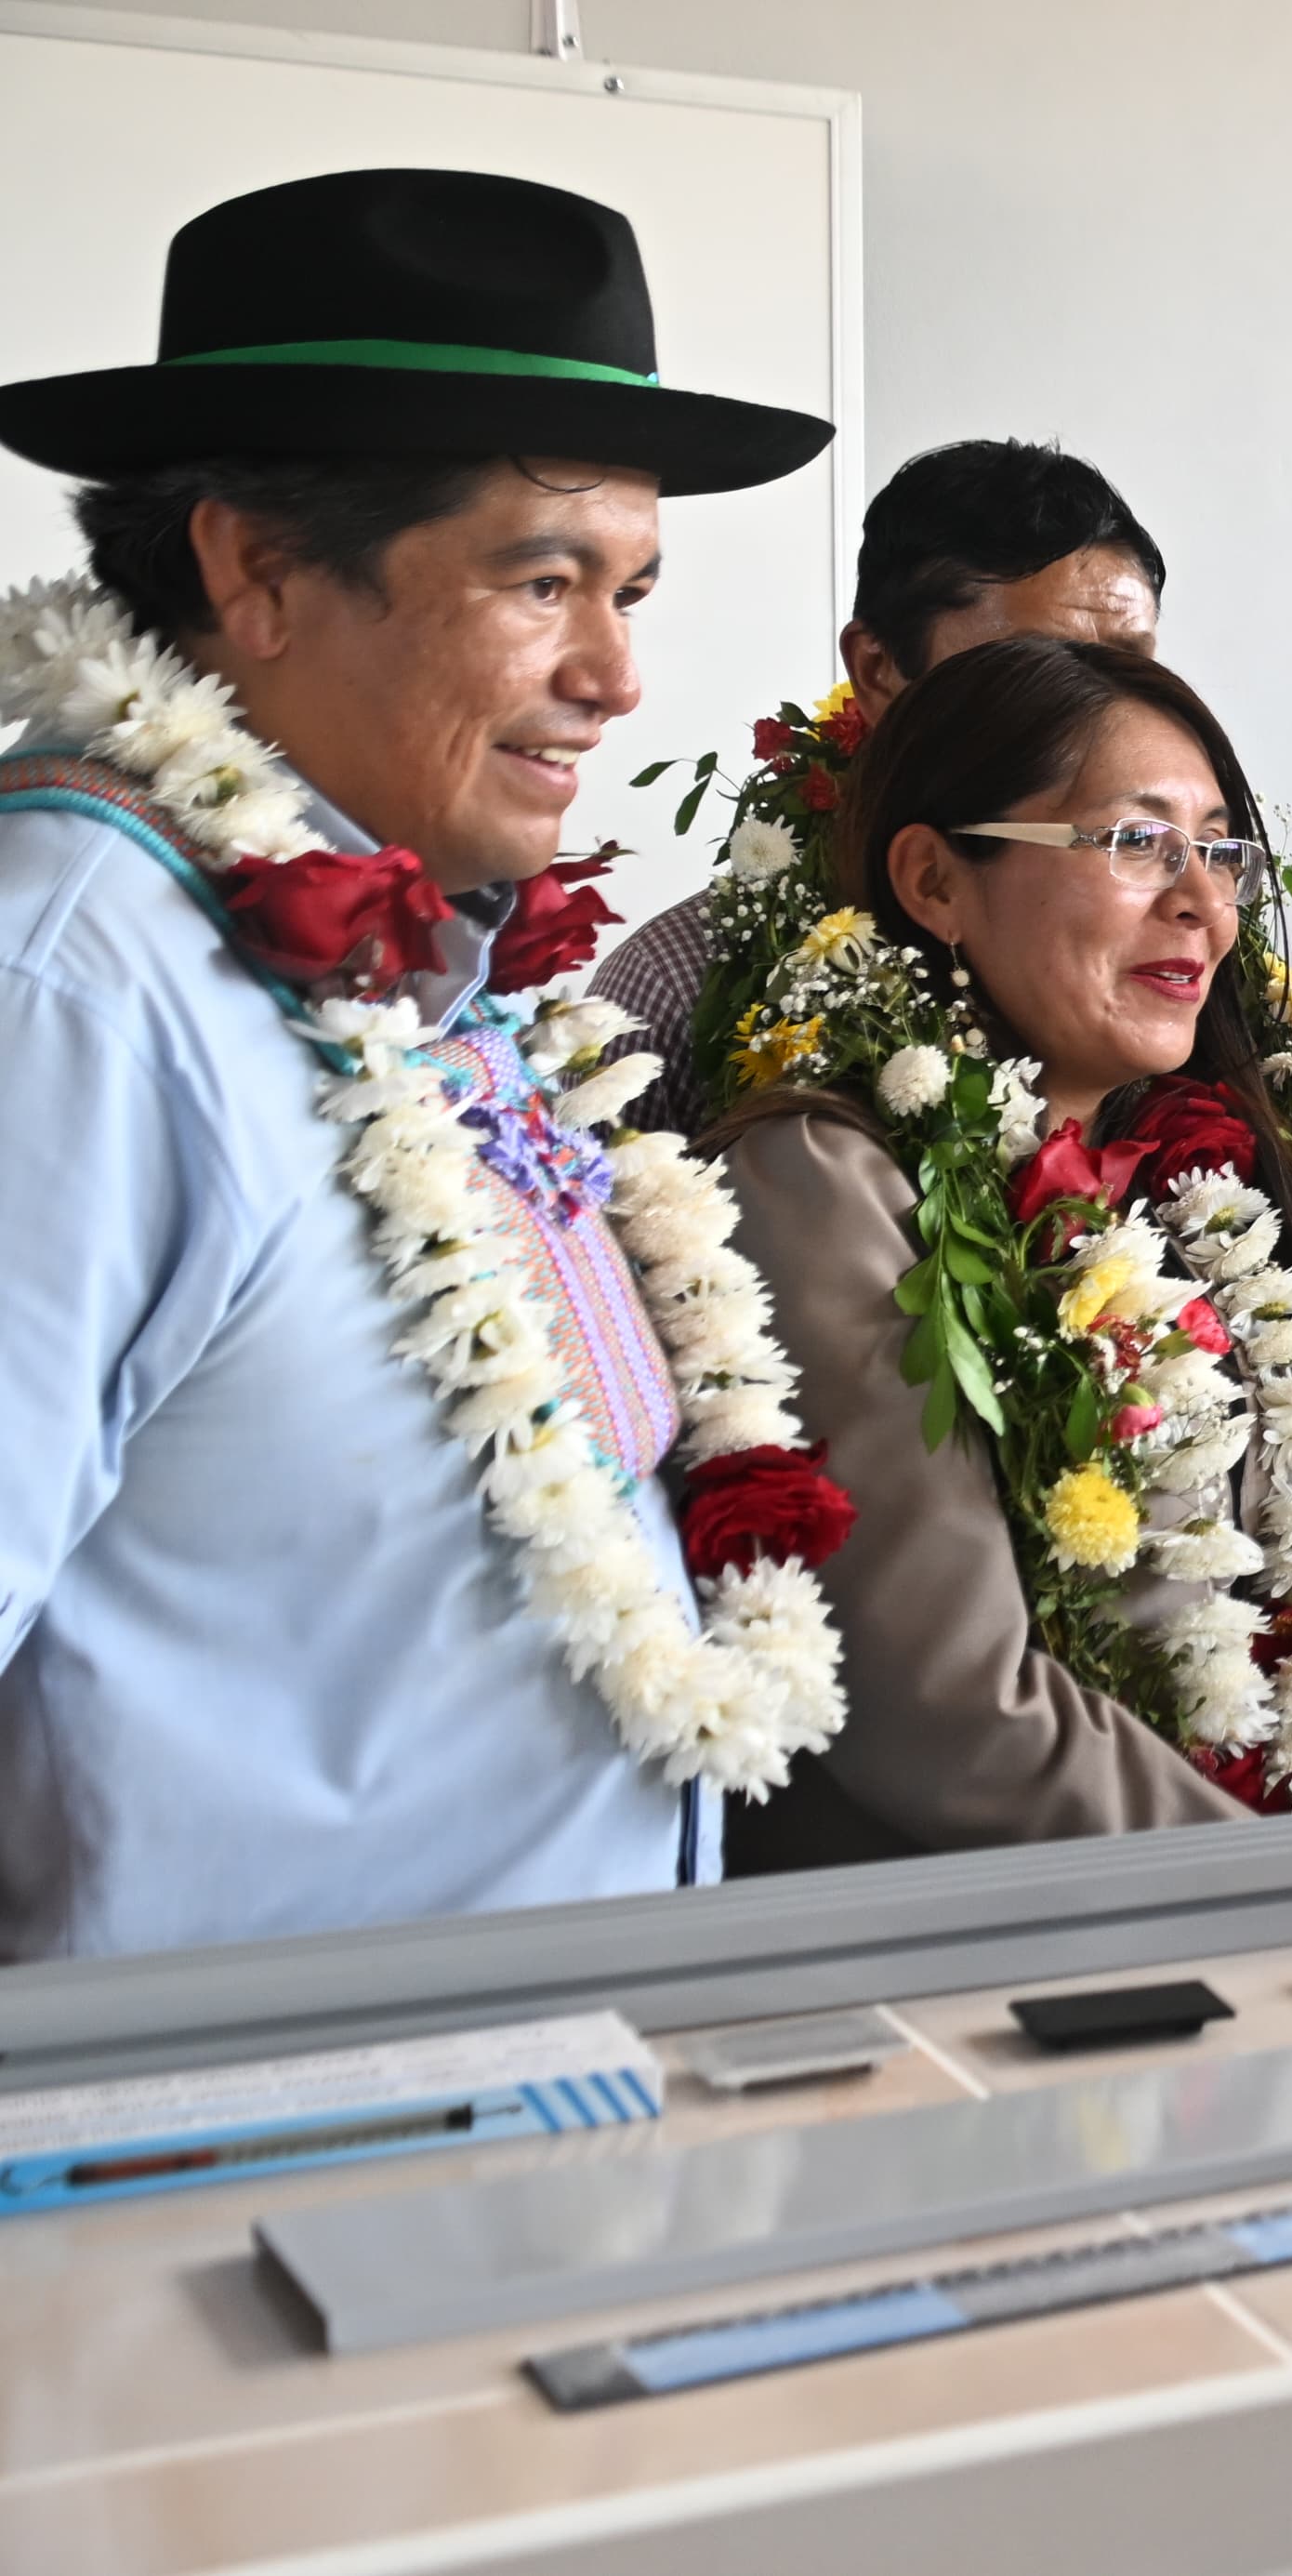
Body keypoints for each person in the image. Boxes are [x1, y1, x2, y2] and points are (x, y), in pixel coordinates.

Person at [0, 169, 838, 1959]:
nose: (615, 674)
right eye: (544, 581)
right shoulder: (74, 982)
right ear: (259, 570)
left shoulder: (433, 966)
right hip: (238, 2115)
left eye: (632, 590)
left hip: (553, 2080)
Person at [707, 634, 1292, 1869]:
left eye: (1220, 850)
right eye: (1137, 840)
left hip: (1257, 1912)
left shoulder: (1207, 1185)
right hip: (995, 1935)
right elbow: (952, 1707)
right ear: (935, 880)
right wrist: (1286, 1887)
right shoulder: (828, 1181)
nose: (1201, 901)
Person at [589, 438, 1166, 1133]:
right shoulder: (674, 989)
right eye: (1033, 669)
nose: (1102, 715)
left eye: (1130, 670)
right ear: (879, 668)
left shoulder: (1185, 952)